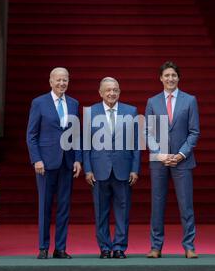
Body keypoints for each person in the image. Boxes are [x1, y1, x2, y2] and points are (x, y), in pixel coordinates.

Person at [145, 61, 200, 259]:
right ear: (160, 78)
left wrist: (181, 154)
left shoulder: (190, 100)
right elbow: (148, 132)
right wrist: (160, 154)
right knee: (157, 204)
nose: (170, 79)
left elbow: (194, 132)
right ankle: (156, 247)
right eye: (167, 75)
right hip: (159, 161)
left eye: (173, 75)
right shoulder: (153, 101)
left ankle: (189, 246)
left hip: (182, 161)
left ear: (178, 78)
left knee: (186, 204)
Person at [26, 67, 82, 259]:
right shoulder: (39, 103)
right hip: (45, 164)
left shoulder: (74, 104)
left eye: (65, 80)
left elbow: (76, 135)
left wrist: (78, 159)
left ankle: (60, 248)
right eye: (58, 80)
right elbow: (31, 135)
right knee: (45, 205)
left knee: (64, 207)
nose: (61, 83)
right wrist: (37, 159)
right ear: (50, 81)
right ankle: (43, 247)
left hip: (67, 163)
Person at [83, 77, 140, 259]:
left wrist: (135, 169)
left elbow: (136, 143)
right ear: (100, 92)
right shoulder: (90, 112)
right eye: (108, 90)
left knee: (123, 210)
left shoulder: (131, 111)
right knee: (101, 210)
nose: (112, 93)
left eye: (115, 90)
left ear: (119, 92)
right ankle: (105, 248)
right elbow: (85, 144)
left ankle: (119, 247)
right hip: (99, 169)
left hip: (123, 168)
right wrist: (88, 169)